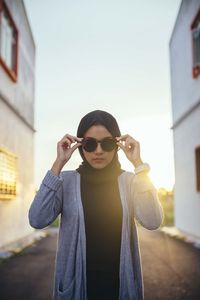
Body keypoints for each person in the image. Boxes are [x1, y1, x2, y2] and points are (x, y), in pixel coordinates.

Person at [29, 110, 163, 300]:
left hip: (120, 289)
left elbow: (153, 221)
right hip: (75, 289)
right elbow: (37, 219)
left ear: (117, 145)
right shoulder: (65, 181)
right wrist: (58, 163)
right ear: (80, 146)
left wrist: (139, 165)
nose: (99, 151)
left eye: (107, 143)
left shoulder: (131, 181)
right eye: (90, 144)